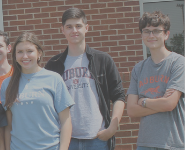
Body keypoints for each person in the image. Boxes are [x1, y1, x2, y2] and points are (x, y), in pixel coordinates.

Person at [41, 8, 125, 149]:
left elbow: (119, 96)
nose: (74, 30)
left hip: (97, 138)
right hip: (67, 139)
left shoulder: (103, 60)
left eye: (78, 26)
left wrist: (112, 128)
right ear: (62, 30)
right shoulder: (54, 65)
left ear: (86, 28)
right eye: (69, 27)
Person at [1, 32, 74, 150]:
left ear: (39, 53)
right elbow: (9, 126)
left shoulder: (54, 79)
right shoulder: (7, 84)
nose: (25, 56)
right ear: (15, 55)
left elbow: (66, 120)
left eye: (29, 51)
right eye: (20, 52)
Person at [126, 11, 185, 150]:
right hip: (145, 144)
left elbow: (169, 104)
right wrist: (160, 103)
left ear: (166, 34)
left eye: (156, 31)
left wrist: (144, 102)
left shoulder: (178, 63)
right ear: (142, 35)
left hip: (174, 144)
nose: (151, 35)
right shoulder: (138, 69)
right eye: (146, 31)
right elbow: (132, 110)